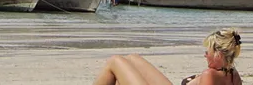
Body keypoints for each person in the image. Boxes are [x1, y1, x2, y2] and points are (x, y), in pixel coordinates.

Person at [92, 28, 242, 85]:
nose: (205, 55)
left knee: (115, 61)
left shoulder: (209, 74)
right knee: (132, 58)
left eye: (207, 52)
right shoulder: (233, 75)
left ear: (218, 54)